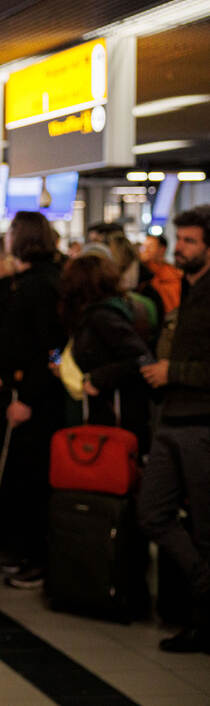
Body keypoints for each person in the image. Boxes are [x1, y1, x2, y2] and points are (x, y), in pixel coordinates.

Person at [138, 206, 210, 653]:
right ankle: (206, 582)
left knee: (205, 525)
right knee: (152, 512)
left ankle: (202, 621)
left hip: (201, 422)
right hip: (171, 419)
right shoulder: (183, 287)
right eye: (178, 239)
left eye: (189, 242)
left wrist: (174, 371)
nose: (179, 248)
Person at [0, 212, 66, 590]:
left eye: (13, 230)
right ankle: (27, 553)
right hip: (23, 391)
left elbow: (47, 349)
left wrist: (30, 397)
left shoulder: (41, 285)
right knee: (22, 479)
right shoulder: (30, 281)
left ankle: (40, 559)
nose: (8, 236)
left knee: (34, 480)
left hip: (37, 400)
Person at [58, 254, 152, 443]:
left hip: (108, 418)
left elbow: (140, 358)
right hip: (102, 412)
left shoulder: (102, 317)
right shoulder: (105, 312)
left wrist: (98, 378)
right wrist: (58, 364)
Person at [141, 232, 183, 313]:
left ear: (162, 249)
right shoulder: (140, 273)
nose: (145, 250)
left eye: (150, 246)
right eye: (144, 246)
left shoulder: (172, 275)